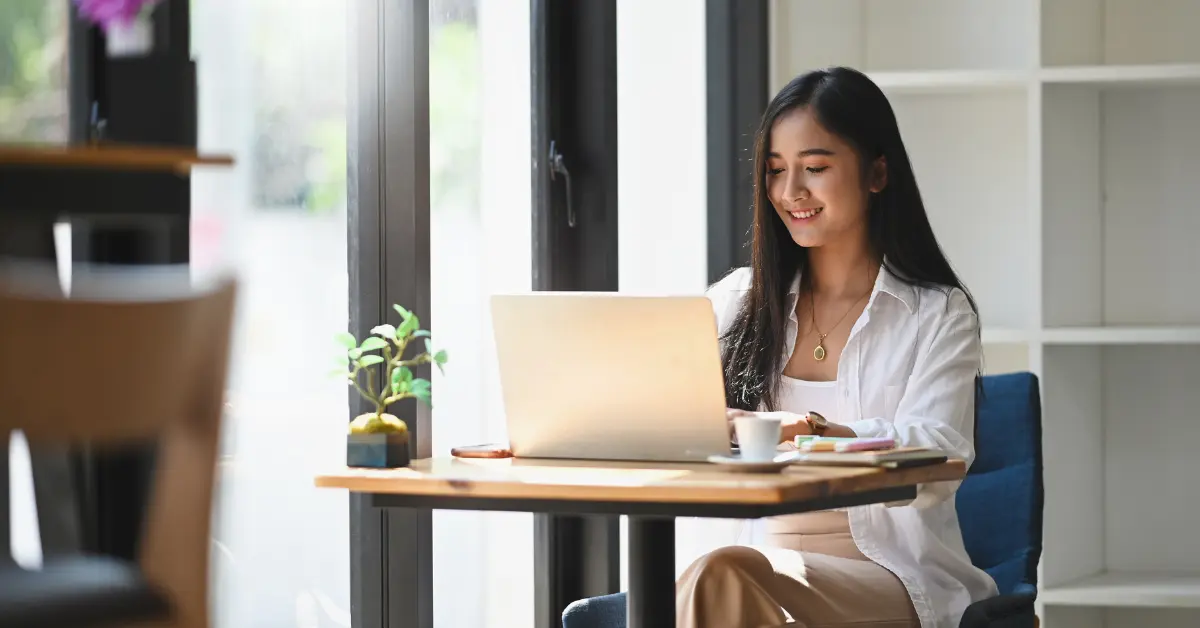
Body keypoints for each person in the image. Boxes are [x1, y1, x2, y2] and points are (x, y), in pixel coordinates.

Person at [673, 66, 998, 628]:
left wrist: (819, 432)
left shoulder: (935, 312)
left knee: (721, 578)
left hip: (888, 574)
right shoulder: (733, 303)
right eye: (776, 171)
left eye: (815, 168)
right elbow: (666, 427)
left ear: (877, 173)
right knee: (717, 578)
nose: (790, 192)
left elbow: (941, 451)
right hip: (747, 559)